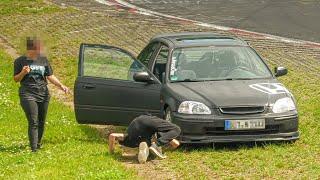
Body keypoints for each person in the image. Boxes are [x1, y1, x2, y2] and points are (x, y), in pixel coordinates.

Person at [13, 36, 69, 152]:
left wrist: (60, 85)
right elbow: (16, 79)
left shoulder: (43, 60)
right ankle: (34, 149)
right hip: (28, 93)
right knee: (33, 120)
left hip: (43, 94)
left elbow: (49, 75)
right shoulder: (19, 61)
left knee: (41, 120)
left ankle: (37, 143)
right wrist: (23, 72)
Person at [108, 115, 181, 164]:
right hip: (144, 121)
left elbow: (112, 135)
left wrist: (111, 153)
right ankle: (155, 146)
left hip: (137, 127)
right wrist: (164, 148)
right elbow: (176, 144)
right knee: (176, 129)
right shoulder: (128, 137)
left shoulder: (130, 139)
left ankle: (147, 151)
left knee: (146, 142)